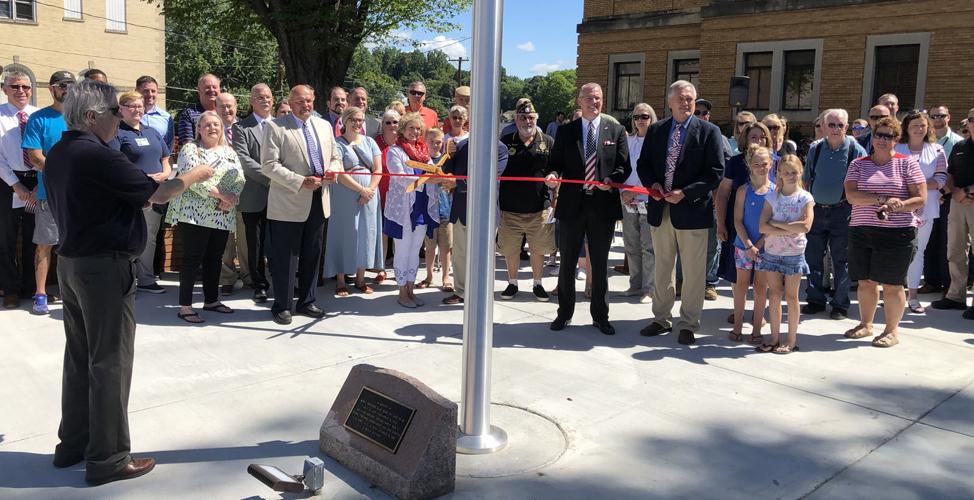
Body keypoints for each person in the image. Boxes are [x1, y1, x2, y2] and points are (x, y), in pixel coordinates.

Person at [44, 79, 215, 486]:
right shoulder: (98, 156)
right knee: (110, 363)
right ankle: (108, 458)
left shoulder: (60, 153)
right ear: (90, 117)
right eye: (112, 113)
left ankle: (74, 444)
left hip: (71, 265)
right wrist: (194, 175)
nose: (118, 119)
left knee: (80, 358)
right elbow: (158, 192)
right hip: (103, 269)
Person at [636, 80, 723, 345]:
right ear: (670, 101)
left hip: (693, 212)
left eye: (691, 99)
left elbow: (715, 172)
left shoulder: (709, 131)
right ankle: (661, 318)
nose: (687, 103)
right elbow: (644, 164)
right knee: (662, 269)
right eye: (682, 99)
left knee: (695, 272)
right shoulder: (657, 130)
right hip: (661, 210)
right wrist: (652, 184)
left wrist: (685, 192)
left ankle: (688, 323)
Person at [544, 82, 630, 336]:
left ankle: (601, 316)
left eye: (599, 98)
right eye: (589, 98)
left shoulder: (615, 130)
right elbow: (555, 163)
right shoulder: (567, 131)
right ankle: (564, 313)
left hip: (602, 206)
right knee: (568, 262)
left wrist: (610, 181)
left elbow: (624, 167)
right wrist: (552, 174)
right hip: (572, 206)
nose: (595, 102)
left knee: (600, 264)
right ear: (579, 101)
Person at [843, 117, 928, 347]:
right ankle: (865, 324)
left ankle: (891, 331)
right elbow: (852, 196)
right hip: (862, 230)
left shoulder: (907, 163)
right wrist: (881, 199)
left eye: (887, 136)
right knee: (865, 282)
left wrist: (899, 204)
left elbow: (920, 198)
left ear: (896, 139)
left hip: (897, 233)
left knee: (892, 284)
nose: (881, 140)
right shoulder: (858, 164)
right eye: (878, 135)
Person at [261, 85, 341, 325]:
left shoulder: (324, 126)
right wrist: (299, 181)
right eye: (299, 102)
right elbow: (269, 165)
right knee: (286, 257)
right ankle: (282, 306)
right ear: (290, 102)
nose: (304, 105)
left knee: (312, 254)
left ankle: (307, 301)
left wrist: (333, 171)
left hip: (320, 200)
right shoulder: (276, 127)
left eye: (308, 101)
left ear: (314, 100)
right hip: (289, 201)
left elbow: (336, 157)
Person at [165, 111, 245, 323]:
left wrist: (231, 198)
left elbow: (240, 177)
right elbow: (192, 178)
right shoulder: (191, 149)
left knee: (214, 258)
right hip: (194, 214)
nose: (212, 128)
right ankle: (185, 306)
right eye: (207, 124)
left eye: (216, 124)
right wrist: (221, 195)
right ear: (199, 129)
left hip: (221, 213)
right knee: (192, 258)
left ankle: (211, 300)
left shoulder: (229, 151)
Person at [802, 109, 867, 320]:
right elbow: (806, 179)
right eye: (832, 125)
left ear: (847, 127)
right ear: (824, 127)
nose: (836, 129)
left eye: (841, 125)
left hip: (843, 212)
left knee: (842, 261)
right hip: (817, 211)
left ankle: (840, 304)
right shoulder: (816, 148)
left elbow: (863, 183)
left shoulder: (855, 150)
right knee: (813, 258)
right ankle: (815, 299)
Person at [441, 110, 508, 305]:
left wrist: (457, 184)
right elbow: (449, 173)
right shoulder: (462, 146)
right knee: (460, 254)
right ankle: (461, 291)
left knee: (482, 256)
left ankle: (480, 294)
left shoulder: (500, 149)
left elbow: (488, 179)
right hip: (462, 208)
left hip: (484, 212)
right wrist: (449, 156)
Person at [22, 70, 75, 315]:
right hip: (49, 194)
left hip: (79, 196)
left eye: (71, 85)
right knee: (45, 246)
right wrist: (59, 174)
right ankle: (41, 294)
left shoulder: (82, 118)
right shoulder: (39, 118)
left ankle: (73, 292)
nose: (67, 89)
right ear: (52, 89)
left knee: (75, 245)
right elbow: (34, 156)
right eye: (62, 85)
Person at [383, 112, 444, 308]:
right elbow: (400, 177)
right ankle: (402, 292)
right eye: (411, 128)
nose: (415, 132)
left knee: (415, 250)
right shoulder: (395, 151)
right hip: (403, 209)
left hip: (421, 207)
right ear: (403, 129)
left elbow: (433, 173)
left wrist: (439, 176)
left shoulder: (424, 152)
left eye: (418, 129)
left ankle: (410, 290)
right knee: (402, 251)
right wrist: (427, 179)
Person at [113, 91, 172, 294]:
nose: (137, 109)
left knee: (149, 236)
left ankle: (146, 280)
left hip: (155, 192)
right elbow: (115, 164)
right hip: (130, 195)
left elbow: (166, 159)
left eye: (139, 106)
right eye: (132, 106)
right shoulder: (117, 133)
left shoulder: (152, 132)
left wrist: (163, 175)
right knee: (128, 237)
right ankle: (126, 281)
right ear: (121, 109)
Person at [755, 154, 814, 354]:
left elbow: (805, 226)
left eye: (794, 172)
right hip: (772, 252)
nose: (790, 175)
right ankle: (773, 337)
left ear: (800, 173)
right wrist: (790, 227)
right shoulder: (772, 197)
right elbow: (763, 226)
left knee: (791, 296)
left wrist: (777, 224)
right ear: (779, 173)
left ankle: (790, 339)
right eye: (786, 172)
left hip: (794, 253)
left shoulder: (805, 197)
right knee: (774, 295)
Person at [498, 100, 555, 302]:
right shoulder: (506, 140)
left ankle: (537, 284)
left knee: (538, 249)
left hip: (538, 207)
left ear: (536, 119)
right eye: (522, 117)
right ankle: (512, 283)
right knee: (510, 249)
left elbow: (555, 168)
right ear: (516, 119)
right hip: (510, 207)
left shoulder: (547, 141)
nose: (527, 121)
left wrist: (554, 176)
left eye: (531, 117)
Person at [324, 106, 384, 296]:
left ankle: (361, 278)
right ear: (345, 121)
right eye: (354, 120)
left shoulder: (370, 142)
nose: (357, 123)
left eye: (361, 120)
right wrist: (361, 189)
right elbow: (340, 173)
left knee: (366, 233)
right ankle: (341, 279)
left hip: (369, 197)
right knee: (345, 233)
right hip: (345, 195)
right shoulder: (338, 144)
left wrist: (370, 190)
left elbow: (378, 169)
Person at [894, 111, 948, 313]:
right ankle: (895, 293)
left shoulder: (937, 150)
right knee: (897, 251)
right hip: (898, 207)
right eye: (915, 125)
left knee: (918, 252)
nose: (919, 129)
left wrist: (918, 187)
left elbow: (941, 179)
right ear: (906, 128)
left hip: (926, 209)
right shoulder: (896, 149)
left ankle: (913, 296)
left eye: (923, 125)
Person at [715, 121, 776, 285]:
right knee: (738, 275)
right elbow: (722, 194)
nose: (759, 140)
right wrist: (720, 223)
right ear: (745, 139)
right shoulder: (735, 162)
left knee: (765, 280)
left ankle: (760, 311)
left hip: (768, 227)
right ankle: (738, 310)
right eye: (753, 137)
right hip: (739, 222)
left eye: (763, 137)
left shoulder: (774, 161)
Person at [231, 83, 274, 303]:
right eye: (260, 97)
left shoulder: (281, 126)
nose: (265, 100)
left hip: (280, 197)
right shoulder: (241, 128)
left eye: (268, 97)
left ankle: (280, 280)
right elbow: (244, 160)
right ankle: (259, 283)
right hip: (254, 195)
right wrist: (274, 178)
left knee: (278, 242)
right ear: (251, 101)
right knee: (254, 243)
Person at [0, 70, 38, 309]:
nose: (21, 91)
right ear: (5, 90)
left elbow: (47, 151)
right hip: (6, 184)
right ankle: (11, 289)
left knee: (36, 238)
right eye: (15, 87)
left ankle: (32, 288)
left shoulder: (38, 116)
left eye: (25, 86)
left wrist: (37, 187)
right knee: (6, 239)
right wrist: (16, 185)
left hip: (37, 184)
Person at [931, 110, 974, 319]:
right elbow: (951, 174)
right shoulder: (960, 146)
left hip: (968, 197)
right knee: (955, 249)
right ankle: (956, 295)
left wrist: (965, 191)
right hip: (957, 203)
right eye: (972, 120)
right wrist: (950, 191)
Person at [730, 144, 773, 344]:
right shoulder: (743, 190)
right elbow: (737, 219)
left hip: (766, 247)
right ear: (749, 165)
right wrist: (748, 245)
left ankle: (756, 328)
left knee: (760, 287)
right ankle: (737, 325)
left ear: (771, 164)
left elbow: (773, 223)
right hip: (743, 246)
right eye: (757, 164)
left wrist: (759, 244)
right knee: (741, 285)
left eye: (765, 164)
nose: (761, 167)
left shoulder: (776, 192)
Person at [922, 105, 966, 294]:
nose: (937, 119)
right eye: (934, 116)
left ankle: (949, 284)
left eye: (941, 115)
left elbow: (955, 172)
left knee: (948, 241)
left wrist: (945, 191)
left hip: (949, 197)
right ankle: (931, 280)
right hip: (930, 196)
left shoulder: (957, 142)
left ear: (949, 117)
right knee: (930, 239)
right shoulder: (926, 142)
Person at [618, 102, 656, 304]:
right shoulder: (628, 140)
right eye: (636, 117)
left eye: (644, 116)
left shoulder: (656, 141)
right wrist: (624, 191)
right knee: (631, 243)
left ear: (651, 118)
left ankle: (649, 289)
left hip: (647, 199)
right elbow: (623, 167)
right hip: (627, 199)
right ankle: (635, 284)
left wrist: (636, 191)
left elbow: (649, 170)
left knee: (648, 246)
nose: (640, 120)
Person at [213, 92, 249, 295]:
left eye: (230, 106)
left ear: (236, 106)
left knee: (245, 237)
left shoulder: (245, 128)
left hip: (245, 191)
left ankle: (248, 275)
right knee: (225, 238)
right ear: (215, 108)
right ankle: (226, 277)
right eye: (222, 106)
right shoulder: (212, 129)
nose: (227, 110)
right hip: (221, 191)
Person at [417, 127, 452, 292]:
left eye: (438, 142)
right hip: (428, 210)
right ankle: (429, 275)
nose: (435, 145)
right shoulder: (422, 161)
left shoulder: (448, 160)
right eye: (431, 141)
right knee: (429, 247)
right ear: (425, 142)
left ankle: (446, 277)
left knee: (446, 247)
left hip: (445, 208)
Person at [176, 73, 220, 148]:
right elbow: (188, 146)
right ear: (199, 91)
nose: (212, 90)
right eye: (207, 87)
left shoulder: (225, 112)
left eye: (214, 87)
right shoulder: (188, 114)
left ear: (219, 90)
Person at [136, 75, 174, 152]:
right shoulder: (128, 115)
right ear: (136, 91)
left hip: (158, 162)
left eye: (153, 91)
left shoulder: (166, 117)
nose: (150, 94)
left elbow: (169, 145)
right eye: (146, 91)